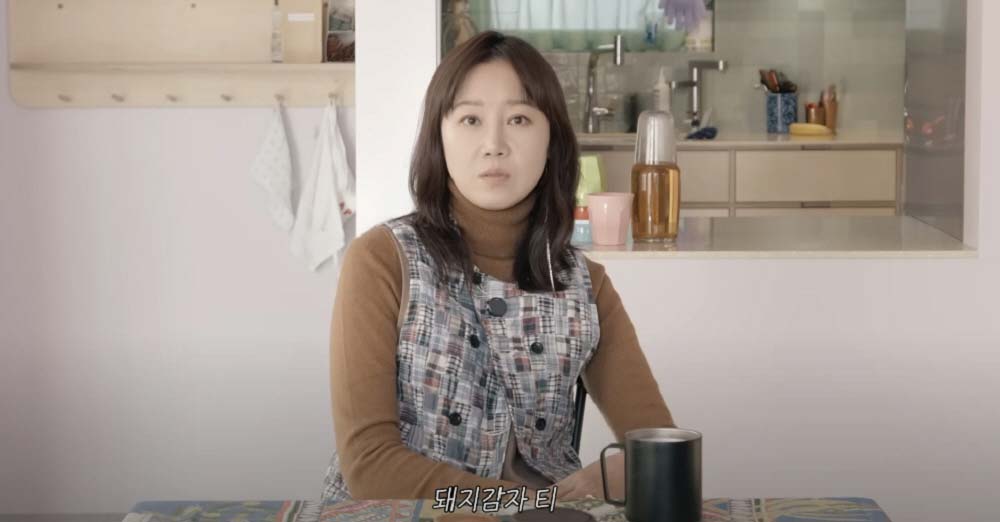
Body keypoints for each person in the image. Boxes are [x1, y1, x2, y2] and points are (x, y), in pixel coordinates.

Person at [320, 30, 674, 505]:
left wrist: (619, 472)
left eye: (520, 119)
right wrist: (524, 504)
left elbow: (661, 449)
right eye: (470, 119)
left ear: (551, 140)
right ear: (439, 136)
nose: (494, 144)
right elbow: (370, 466)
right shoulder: (381, 260)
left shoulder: (585, 284)